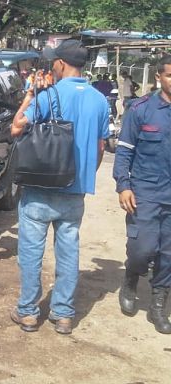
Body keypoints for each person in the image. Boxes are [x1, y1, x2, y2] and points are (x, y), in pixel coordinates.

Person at [10, 39, 110, 334]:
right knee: (68, 250)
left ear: (61, 64)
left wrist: (30, 95)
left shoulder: (47, 95)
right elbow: (100, 147)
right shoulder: (99, 100)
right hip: (75, 190)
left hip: (40, 189)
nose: (52, 63)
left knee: (31, 251)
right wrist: (81, 176)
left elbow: (16, 127)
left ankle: (28, 312)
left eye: (54, 60)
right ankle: (63, 314)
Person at [113, 55, 171, 334]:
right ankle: (131, 277)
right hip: (145, 193)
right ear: (159, 77)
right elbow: (124, 151)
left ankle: (159, 306)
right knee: (142, 249)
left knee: (168, 255)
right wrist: (123, 185)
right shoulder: (141, 110)